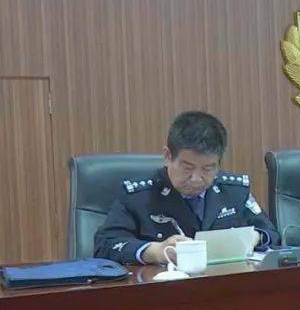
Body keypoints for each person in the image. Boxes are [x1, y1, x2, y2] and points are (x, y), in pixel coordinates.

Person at [94, 110, 278, 265]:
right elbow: (105, 245)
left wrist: (255, 237)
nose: (196, 179)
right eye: (187, 167)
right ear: (168, 156)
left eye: (208, 168)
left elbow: (271, 234)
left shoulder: (234, 191)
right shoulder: (139, 195)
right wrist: (155, 251)